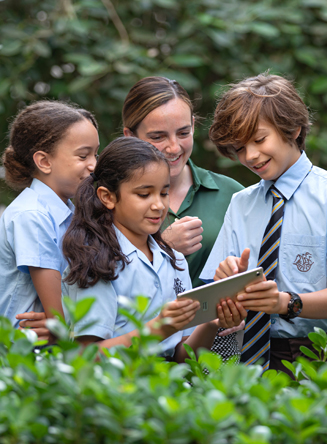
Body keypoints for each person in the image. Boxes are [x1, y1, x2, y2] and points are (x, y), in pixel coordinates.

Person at [199, 72, 327, 379]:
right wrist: (224, 283)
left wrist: (283, 303)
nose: (251, 156)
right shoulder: (241, 203)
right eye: (240, 148)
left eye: (259, 139)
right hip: (250, 357)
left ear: (293, 128)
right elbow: (215, 300)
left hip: (326, 356)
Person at [61, 137, 247, 360]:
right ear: (107, 197)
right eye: (144, 194)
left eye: (164, 192)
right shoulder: (96, 261)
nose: (158, 205)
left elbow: (181, 355)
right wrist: (159, 328)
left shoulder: (175, 260)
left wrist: (212, 323)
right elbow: (86, 356)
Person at [122, 76, 244, 361]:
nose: (174, 147)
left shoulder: (232, 194)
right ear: (130, 136)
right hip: (137, 349)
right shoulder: (109, 198)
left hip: (218, 347)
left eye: (183, 132)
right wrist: (162, 245)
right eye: (157, 136)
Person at [0, 101, 99, 339]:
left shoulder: (68, 210)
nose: (94, 165)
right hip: (24, 356)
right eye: (83, 155)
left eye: (96, 153)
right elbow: (59, 320)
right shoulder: (32, 216)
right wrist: (63, 323)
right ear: (44, 161)